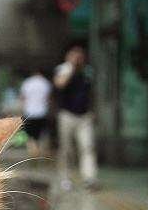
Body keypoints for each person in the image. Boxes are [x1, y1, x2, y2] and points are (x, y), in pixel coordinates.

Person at [53, 42, 97, 189]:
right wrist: (71, 68)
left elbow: (92, 93)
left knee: (88, 147)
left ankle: (89, 178)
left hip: (85, 116)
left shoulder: (88, 72)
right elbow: (60, 85)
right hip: (66, 115)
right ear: (68, 56)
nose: (78, 58)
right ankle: (65, 178)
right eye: (74, 55)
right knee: (66, 149)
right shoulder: (62, 70)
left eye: (80, 55)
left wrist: (93, 111)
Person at [18, 66, 52, 157]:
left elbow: (22, 98)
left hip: (29, 112)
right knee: (40, 134)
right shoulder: (46, 83)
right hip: (42, 112)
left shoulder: (27, 83)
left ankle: (33, 152)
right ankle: (39, 151)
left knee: (30, 135)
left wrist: (20, 112)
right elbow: (48, 99)